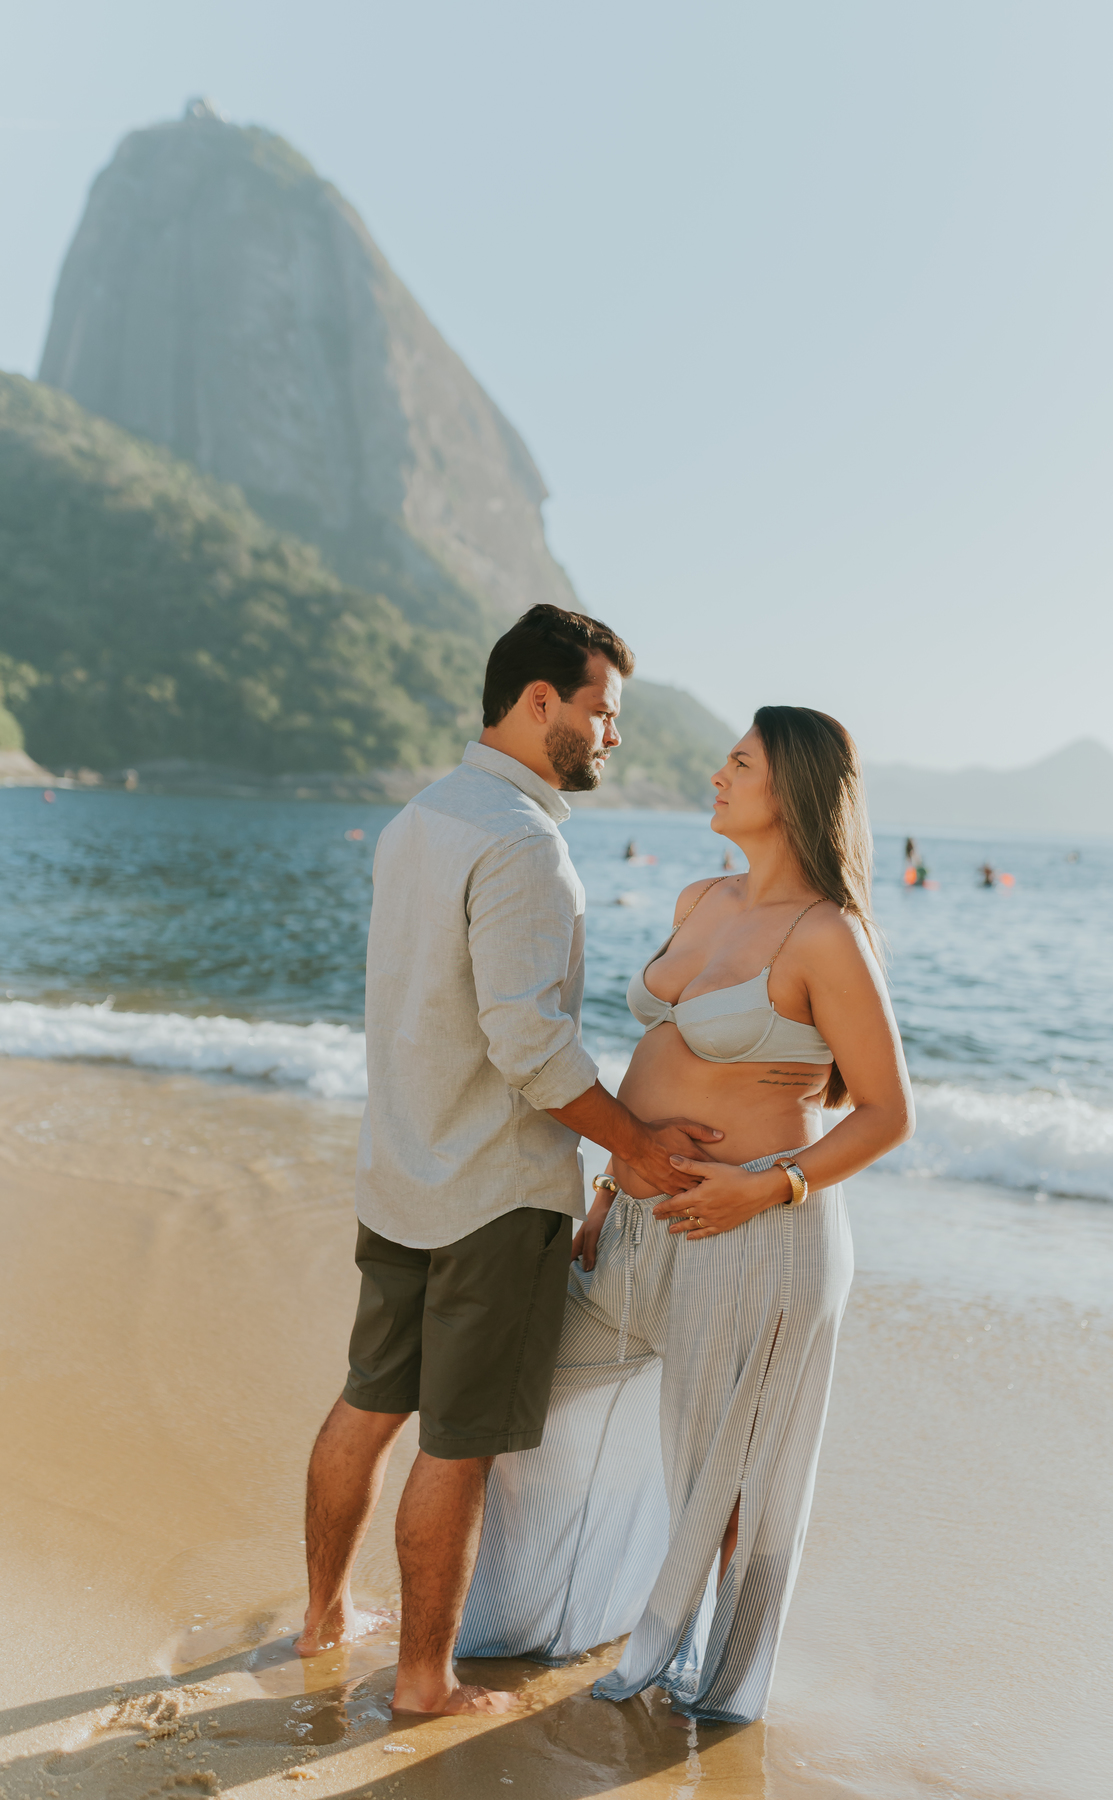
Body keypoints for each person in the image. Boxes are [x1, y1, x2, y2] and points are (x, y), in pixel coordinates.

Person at [298, 604, 723, 1716]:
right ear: (541, 703)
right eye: (603, 712)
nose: (612, 737)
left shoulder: (418, 820)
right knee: (462, 1444)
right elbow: (528, 1040)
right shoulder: (523, 842)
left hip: (398, 1170)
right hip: (490, 1197)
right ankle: (425, 1683)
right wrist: (630, 1144)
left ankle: (321, 1619)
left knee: (367, 1402)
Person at [460, 706, 914, 1723]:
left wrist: (771, 1184)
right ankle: (527, 1620)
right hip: (636, 1219)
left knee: (724, 1477)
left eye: (739, 763)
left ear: (790, 792)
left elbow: (888, 1111)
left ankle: (697, 1683)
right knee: (529, 1404)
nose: (717, 773)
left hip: (755, 1232)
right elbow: (651, 1065)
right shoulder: (700, 896)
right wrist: (614, 1179)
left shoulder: (829, 936)